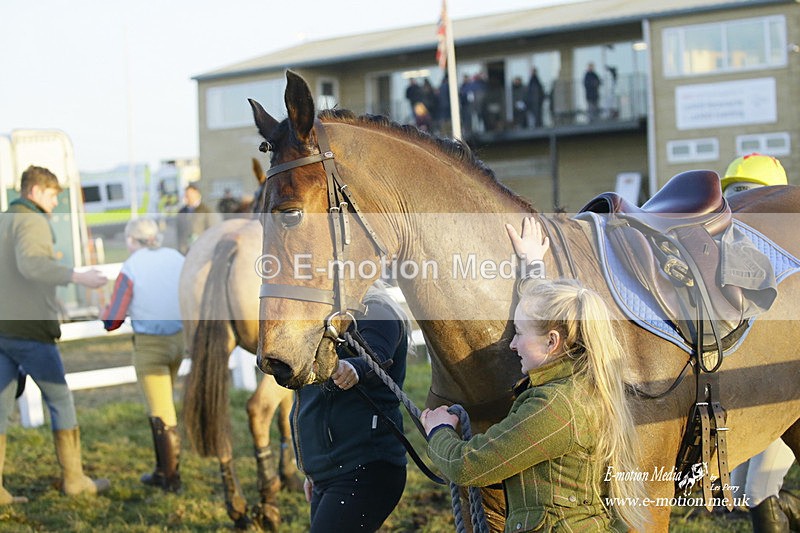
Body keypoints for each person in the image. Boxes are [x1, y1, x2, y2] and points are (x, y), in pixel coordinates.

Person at [421, 217, 650, 532]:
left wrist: (439, 432)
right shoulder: (582, 379)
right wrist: (531, 266)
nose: (512, 344)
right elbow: (541, 309)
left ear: (553, 342)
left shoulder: (554, 406)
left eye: (518, 333)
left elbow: (468, 466)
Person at [0, 165, 111, 502]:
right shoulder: (32, 221)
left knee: (1, 405)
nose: (54, 202)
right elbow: (32, 265)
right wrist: (77, 277)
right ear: (35, 191)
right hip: (29, 330)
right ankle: (75, 480)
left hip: (3, 328)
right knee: (60, 399)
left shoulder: (6, 218)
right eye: (52, 195)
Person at [721, 153, 800, 532]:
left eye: (749, 196)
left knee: (757, 489)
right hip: (751, 388)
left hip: (782, 387)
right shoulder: (727, 262)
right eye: (734, 197)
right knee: (738, 491)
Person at [292, 281, 412, 532]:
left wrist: (355, 367)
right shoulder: (322, 317)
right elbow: (312, 400)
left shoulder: (377, 311)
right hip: (331, 473)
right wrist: (313, 469)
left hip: (366, 469)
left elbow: (376, 355)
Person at [101, 217, 185, 492]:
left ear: (133, 240)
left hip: (150, 346)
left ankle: (170, 478)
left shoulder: (131, 267)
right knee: (162, 404)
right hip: (178, 341)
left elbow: (113, 320)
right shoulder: (176, 258)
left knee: (161, 411)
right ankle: (163, 469)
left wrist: (105, 315)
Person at [176, 183, 214, 255]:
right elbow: (180, 233)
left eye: (190, 194)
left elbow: (211, 230)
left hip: (202, 250)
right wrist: (181, 249)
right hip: (186, 251)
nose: (187, 197)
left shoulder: (206, 210)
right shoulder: (181, 211)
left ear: (197, 194)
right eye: (186, 194)